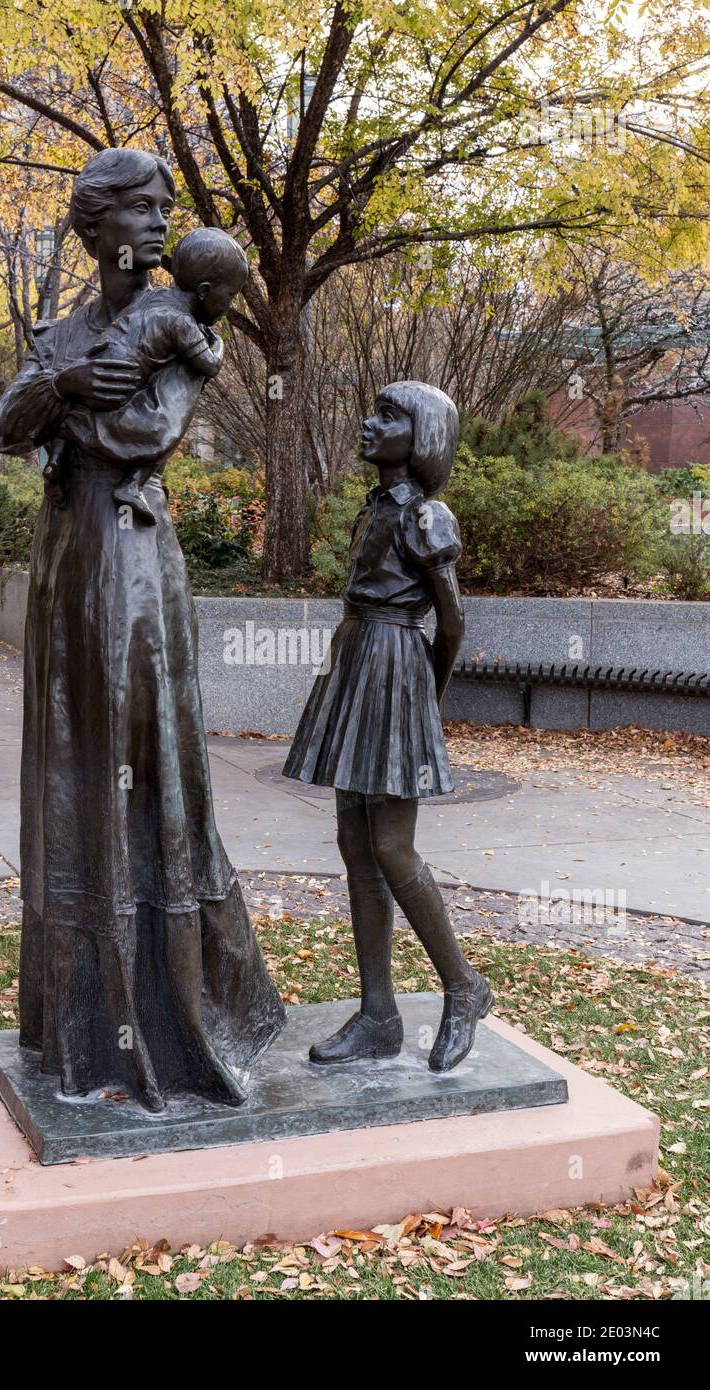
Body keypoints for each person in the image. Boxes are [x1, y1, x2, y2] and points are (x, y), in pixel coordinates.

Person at [0, 148, 284, 1110]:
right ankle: (78, 1028)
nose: (159, 224)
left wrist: (64, 410)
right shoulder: (64, 328)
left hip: (133, 556)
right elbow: (8, 419)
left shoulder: (186, 318)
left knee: (141, 756)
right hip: (67, 557)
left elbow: (145, 436)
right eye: (141, 209)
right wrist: (68, 391)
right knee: (75, 760)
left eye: (166, 209)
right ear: (97, 220)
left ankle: (167, 1014)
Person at [283, 381, 493, 1072]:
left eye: (388, 416)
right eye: (373, 410)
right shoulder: (375, 506)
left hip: (397, 664)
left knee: (393, 846)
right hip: (354, 662)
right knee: (354, 840)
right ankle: (378, 1014)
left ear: (423, 434)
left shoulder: (429, 516)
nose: (369, 424)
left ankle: (463, 987)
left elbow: (452, 619)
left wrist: (424, 700)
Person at [42, 228, 248, 521]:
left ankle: (57, 460)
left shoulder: (157, 300)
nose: (230, 305)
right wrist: (218, 343)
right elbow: (209, 366)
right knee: (164, 428)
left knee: (75, 414)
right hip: (121, 384)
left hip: (98, 359)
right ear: (203, 291)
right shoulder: (182, 324)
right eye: (230, 295)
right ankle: (131, 484)